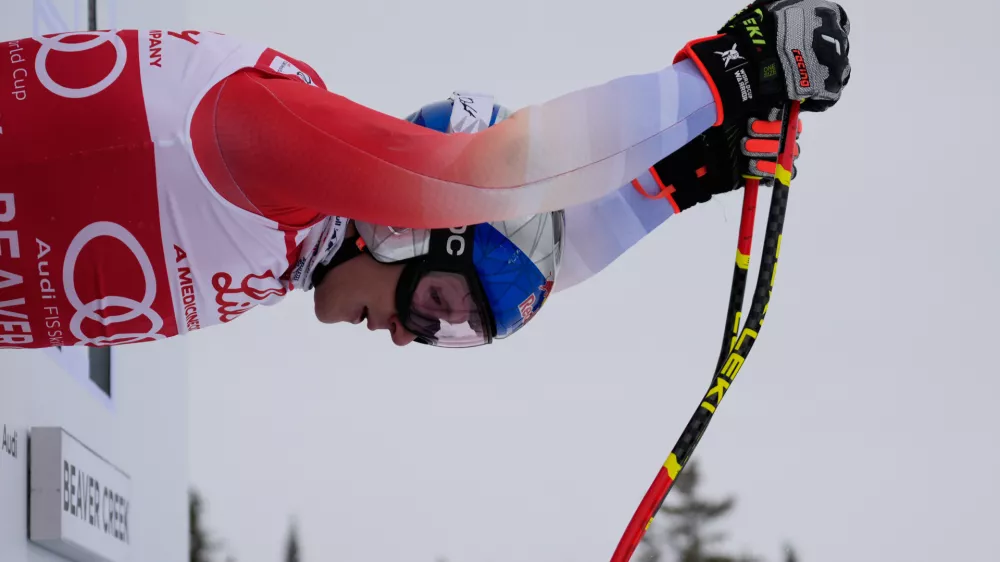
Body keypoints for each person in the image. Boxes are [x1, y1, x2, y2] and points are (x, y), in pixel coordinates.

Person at [0, 0, 851, 349]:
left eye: (448, 328)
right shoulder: (275, 146)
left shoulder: (291, 242)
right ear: (409, 226)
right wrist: (720, 84)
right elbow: (494, 180)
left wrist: (683, 177)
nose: (410, 334)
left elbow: (536, 248)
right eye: (435, 306)